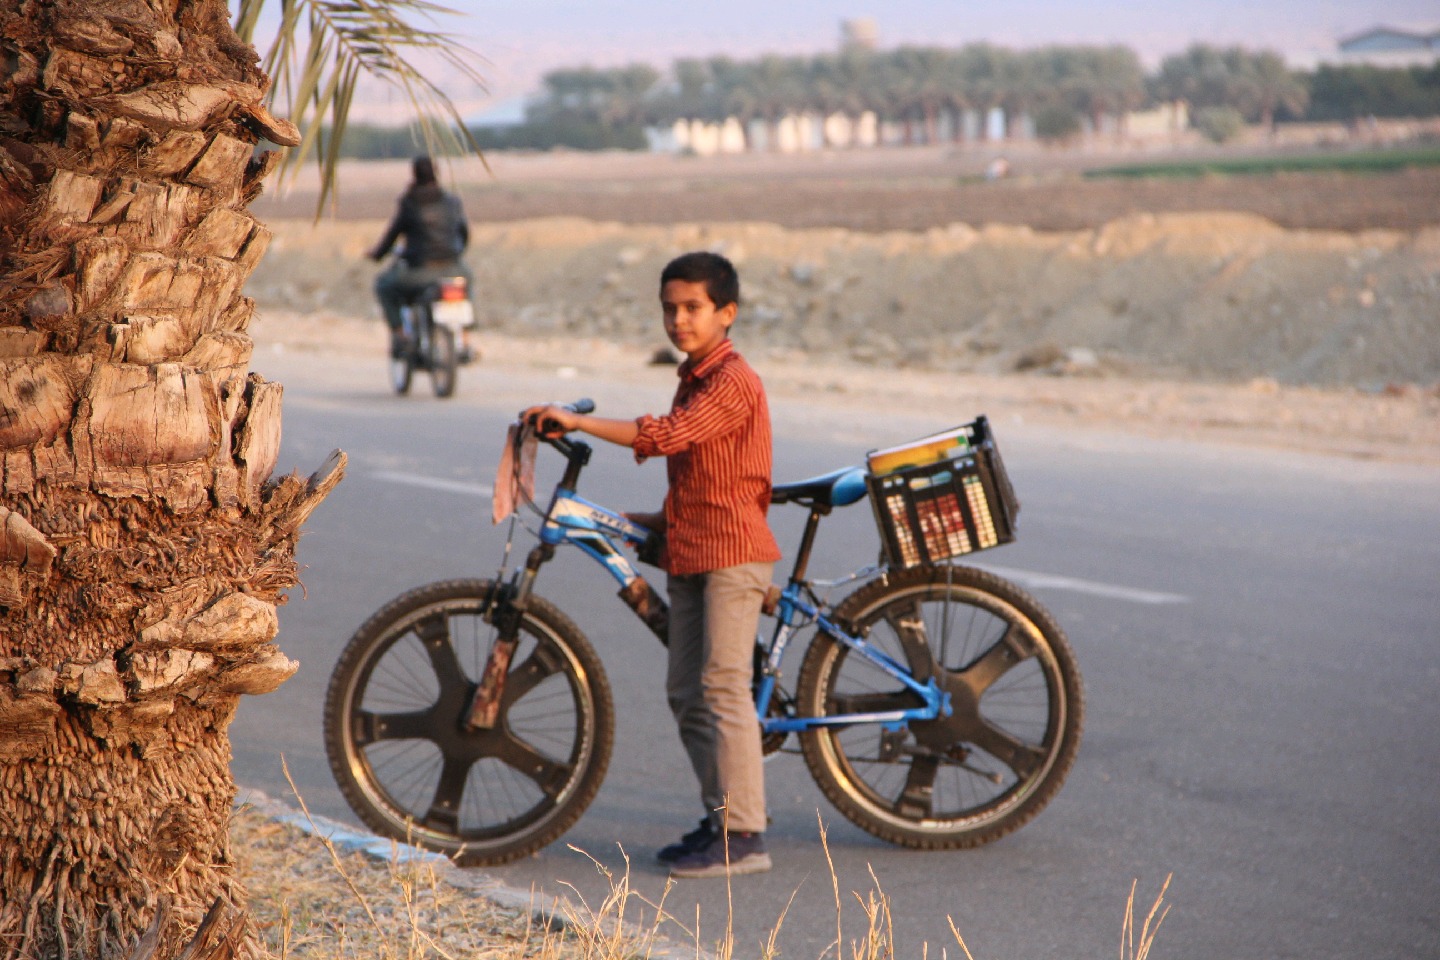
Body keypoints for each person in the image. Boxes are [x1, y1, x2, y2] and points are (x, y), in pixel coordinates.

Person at [522, 251, 782, 879]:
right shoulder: (693, 374)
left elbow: (668, 437)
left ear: (727, 313)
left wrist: (578, 419)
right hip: (691, 550)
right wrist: (635, 523)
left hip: (732, 554)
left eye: (692, 308)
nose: (678, 320)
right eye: (670, 308)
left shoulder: (731, 381)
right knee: (685, 692)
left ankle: (745, 836)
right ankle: (721, 814)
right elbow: (694, 476)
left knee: (723, 687)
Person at [369, 155, 476, 362]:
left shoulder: (410, 203)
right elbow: (463, 234)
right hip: (453, 267)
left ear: (414, 174)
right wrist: (455, 253)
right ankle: (465, 339)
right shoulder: (452, 201)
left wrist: (377, 254)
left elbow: (392, 236)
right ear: (436, 173)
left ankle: (401, 336)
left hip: (419, 272)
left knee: (384, 286)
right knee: (466, 284)